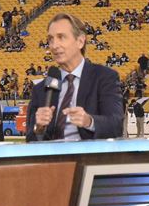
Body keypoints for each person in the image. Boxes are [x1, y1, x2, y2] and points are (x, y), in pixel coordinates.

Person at [26, 13, 123, 141]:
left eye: (61, 37)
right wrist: (38, 127)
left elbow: (116, 125)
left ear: (80, 41)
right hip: (52, 158)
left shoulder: (104, 77)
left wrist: (89, 121)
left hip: (89, 157)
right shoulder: (41, 89)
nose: (54, 45)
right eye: (51, 39)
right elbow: (30, 139)